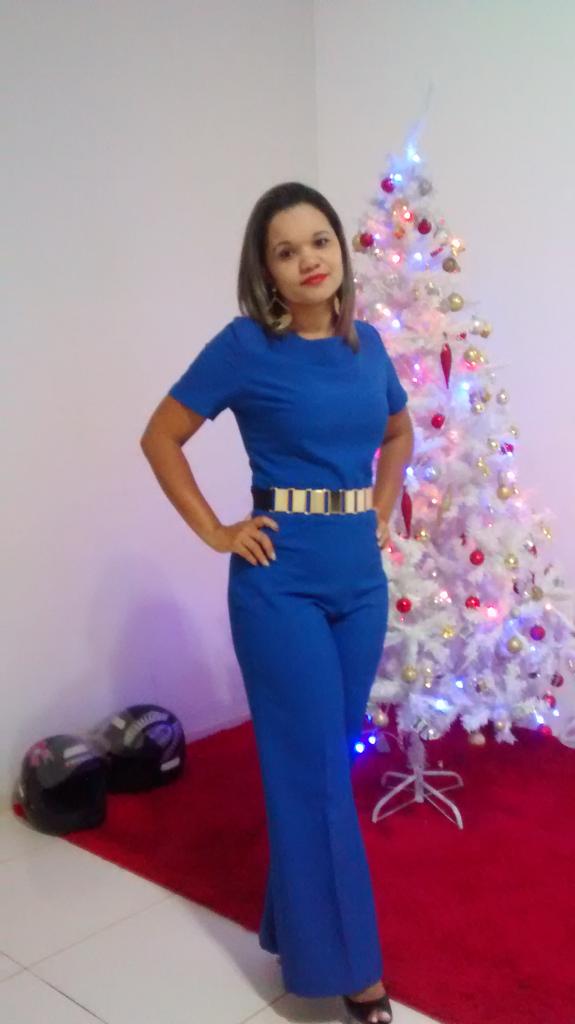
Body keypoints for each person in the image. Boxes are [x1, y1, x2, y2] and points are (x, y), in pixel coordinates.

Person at [140, 181, 414, 1024]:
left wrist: (379, 506)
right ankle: (355, 975)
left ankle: (296, 927)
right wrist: (216, 531)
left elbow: (397, 431)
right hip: (279, 584)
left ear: (339, 249)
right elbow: (161, 436)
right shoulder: (244, 347)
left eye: (319, 241)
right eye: (286, 250)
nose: (308, 261)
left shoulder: (368, 346)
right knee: (318, 773)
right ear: (266, 271)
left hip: (357, 584)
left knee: (319, 765)